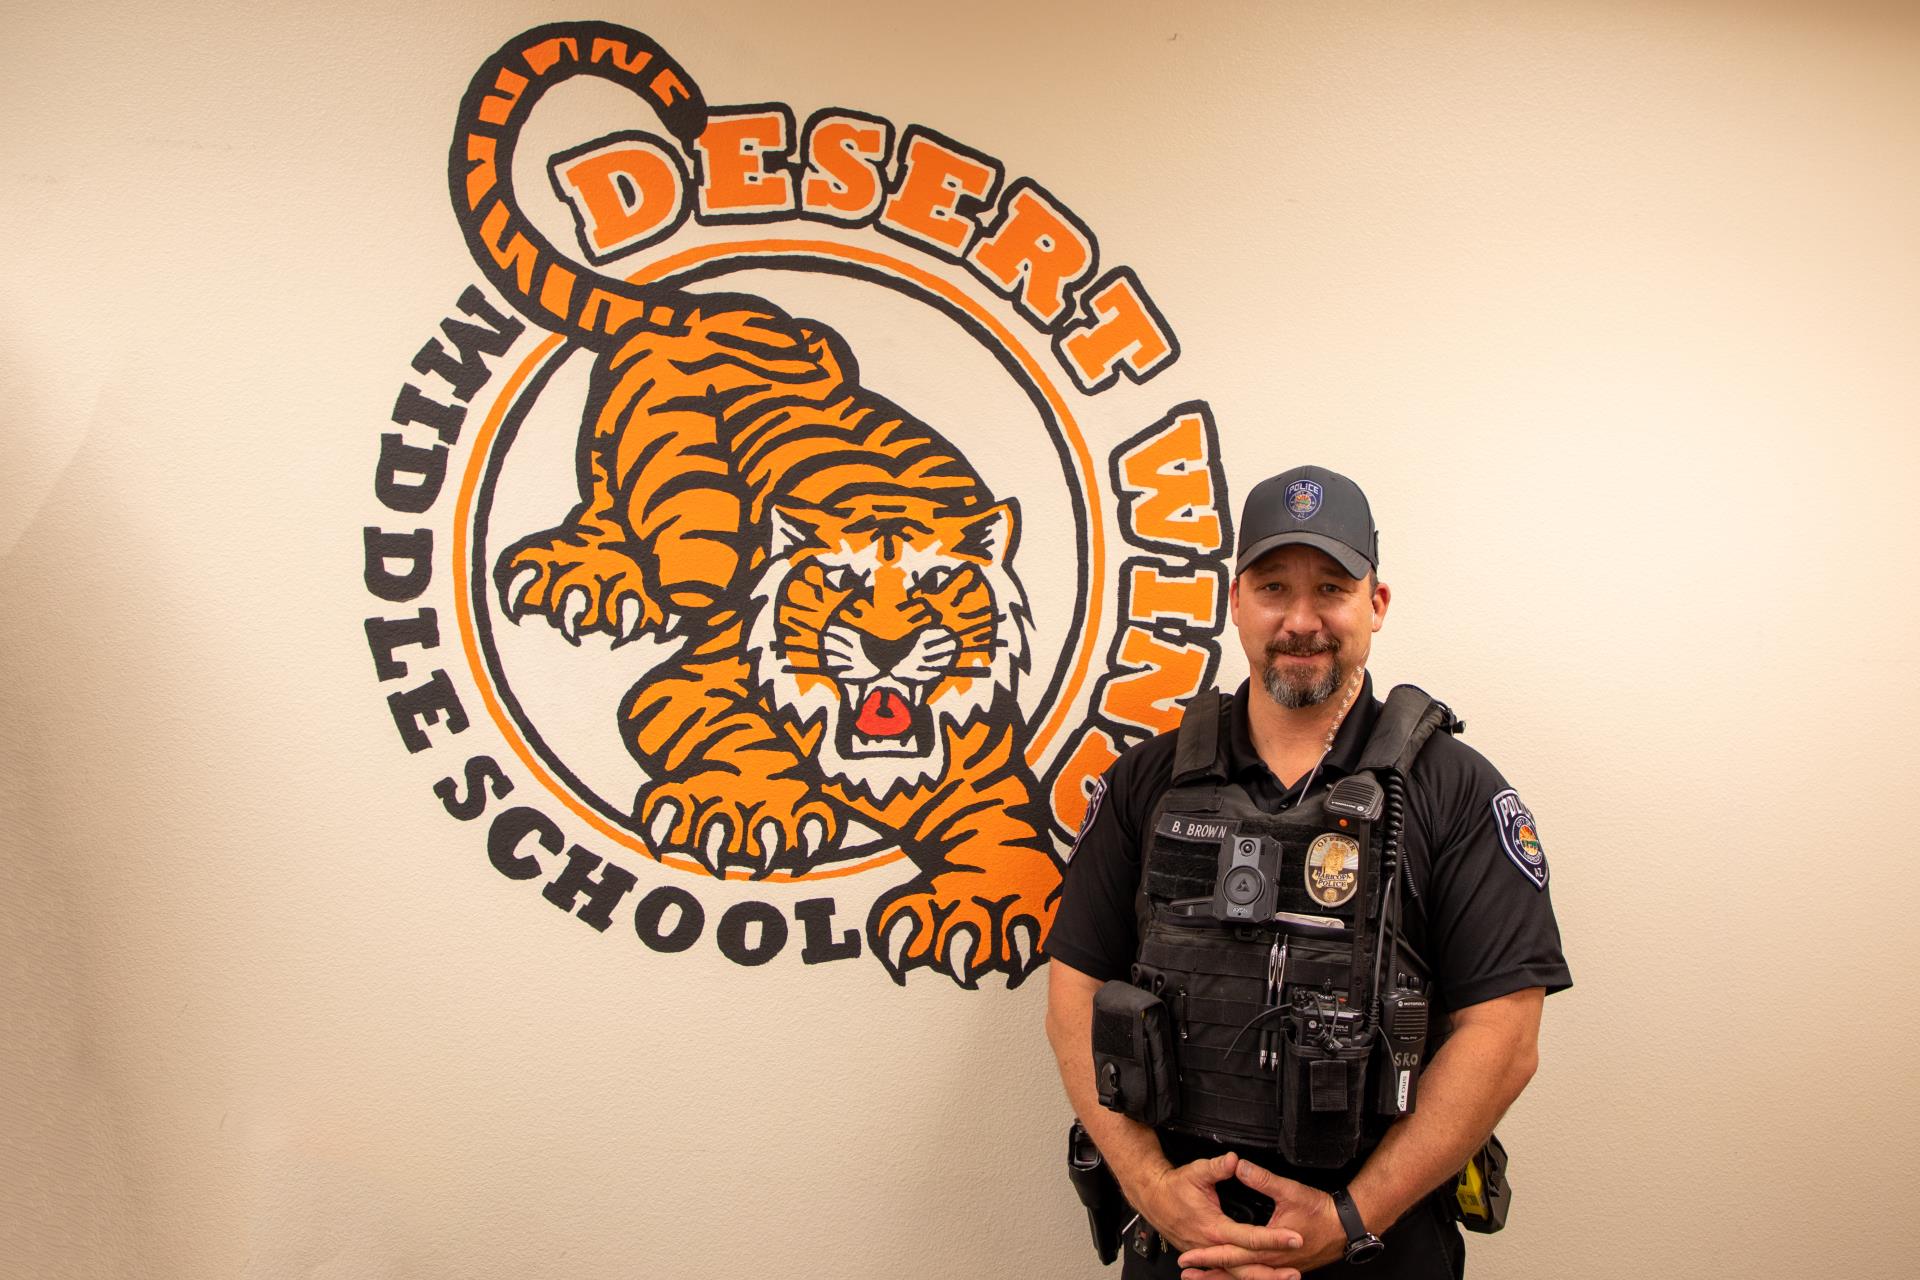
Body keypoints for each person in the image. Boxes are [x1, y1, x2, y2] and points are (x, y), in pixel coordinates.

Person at [1045, 465, 1570, 1279]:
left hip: (1377, 1252)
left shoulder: (1454, 790)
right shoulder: (1146, 784)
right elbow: (1074, 991)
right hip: (1182, 1251)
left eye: (1331, 587)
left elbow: (1504, 1034)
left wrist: (1349, 1217)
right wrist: (1152, 1189)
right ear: (1235, 603)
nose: (1301, 620)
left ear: (1376, 604)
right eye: (1273, 588)